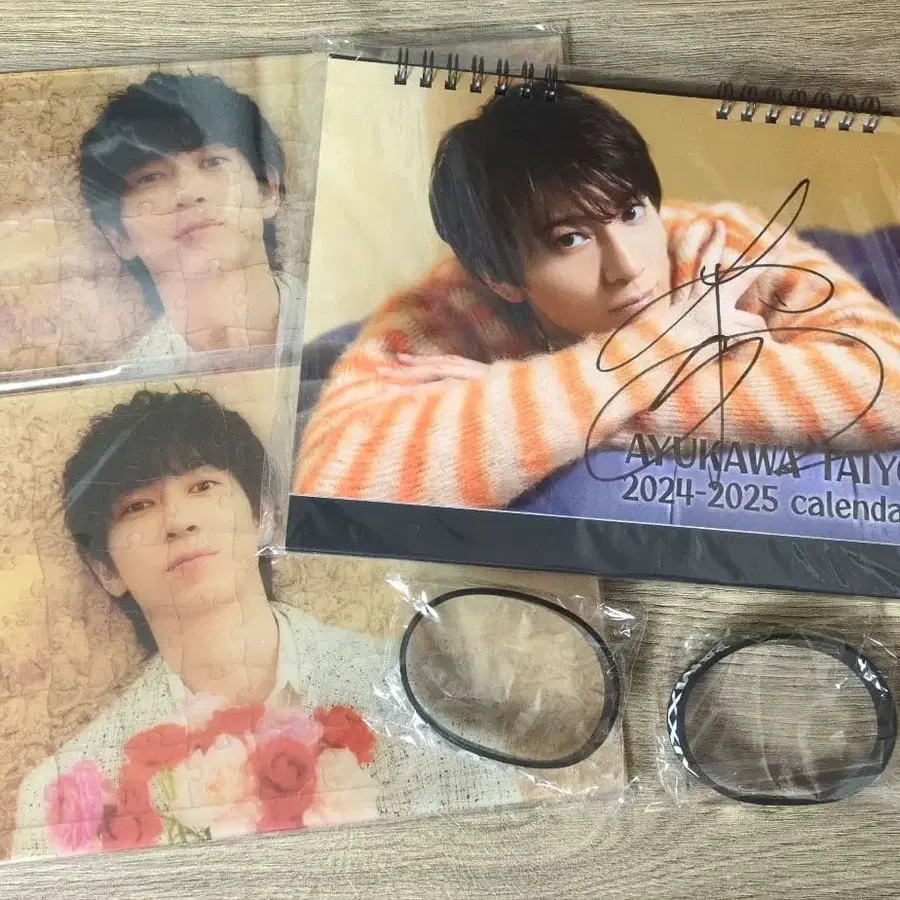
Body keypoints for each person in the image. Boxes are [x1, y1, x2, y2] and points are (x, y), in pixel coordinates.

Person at [293, 82, 900, 510]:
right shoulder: (451, 303)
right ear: (501, 278)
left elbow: (889, 383)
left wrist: (541, 407)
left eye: (632, 212)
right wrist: (661, 347)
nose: (629, 266)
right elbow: (332, 485)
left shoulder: (718, 243)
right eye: (570, 239)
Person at [11, 390, 521, 858]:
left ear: (266, 517)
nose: (178, 521)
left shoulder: (419, 693)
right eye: (138, 506)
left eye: (203, 485)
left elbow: (498, 855)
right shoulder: (65, 797)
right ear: (105, 570)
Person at [79, 72, 304, 367]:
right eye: (151, 178)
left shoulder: (352, 314)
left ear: (268, 191)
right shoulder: (131, 385)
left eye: (213, 162)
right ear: (117, 236)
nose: (188, 191)